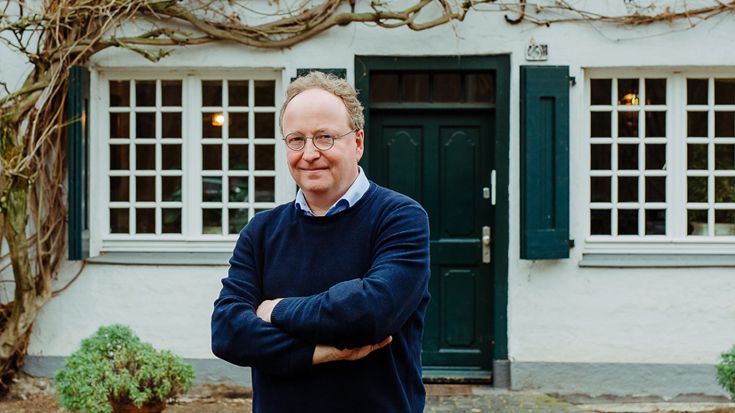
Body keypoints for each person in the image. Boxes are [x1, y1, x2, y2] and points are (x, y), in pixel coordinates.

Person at [211, 71, 430, 413]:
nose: (309, 153)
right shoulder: (261, 231)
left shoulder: (399, 218)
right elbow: (228, 332)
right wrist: (322, 352)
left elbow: (371, 313)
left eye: (324, 137)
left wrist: (275, 309)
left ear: (358, 142)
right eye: (296, 139)